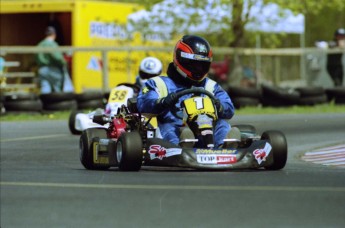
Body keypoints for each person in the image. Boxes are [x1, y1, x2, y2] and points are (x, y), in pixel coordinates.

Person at [137, 35, 238, 148]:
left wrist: (220, 106)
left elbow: (229, 107)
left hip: (207, 127)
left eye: (202, 65)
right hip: (175, 129)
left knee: (222, 124)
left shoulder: (210, 85)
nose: (198, 69)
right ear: (180, 60)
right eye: (194, 65)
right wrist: (163, 102)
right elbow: (143, 104)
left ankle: (225, 147)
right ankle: (182, 146)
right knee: (169, 128)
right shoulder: (158, 83)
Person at [36, 26, 74, 94]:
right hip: (53, 70)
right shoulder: (52, 44)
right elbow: (57, 57)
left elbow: (36, 58)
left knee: (45, 89)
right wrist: (64, 62)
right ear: (54, 34)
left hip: (42, 70)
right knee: (57, 90)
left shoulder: (40, 44)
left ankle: (45, 103)